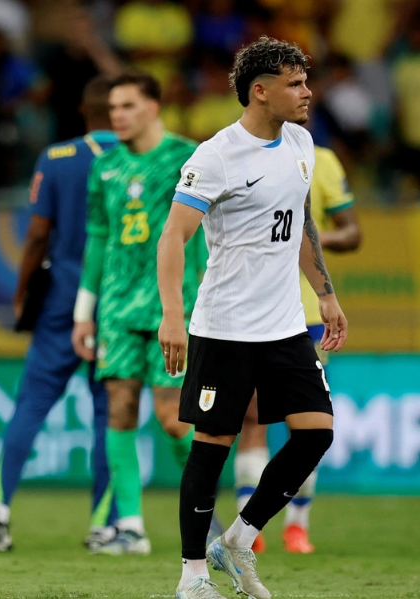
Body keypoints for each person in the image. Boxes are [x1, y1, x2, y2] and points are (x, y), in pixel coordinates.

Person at [158, 36, 347, 599]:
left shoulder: (302, 143)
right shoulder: (215, 156)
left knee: (317, 433)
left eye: (305, 81)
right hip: (224, 326)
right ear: (259, 91)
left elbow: (300, 224)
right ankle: (192, 575)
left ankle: (237, 541)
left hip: (286, 323)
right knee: (213, 445)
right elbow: (174, 236)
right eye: (294, 83)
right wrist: (174, 314)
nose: (307, 91)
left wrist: (327, 294)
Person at [0, 76, 118, 553]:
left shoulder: (58, 158)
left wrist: (22, 293)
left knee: (32, 404)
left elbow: (38, 234)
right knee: (109, 413)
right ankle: (106, 524)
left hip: (62, 299)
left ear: (83, 110)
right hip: (118, 303)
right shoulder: (142, 160)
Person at [70, 72, 204, 555]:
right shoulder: (105, 167)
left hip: (176, 306)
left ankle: (204, 513)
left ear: (153, 107)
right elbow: (98, 239)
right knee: (119, 411)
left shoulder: (187, 158)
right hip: (118, 311)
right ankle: (131, 527)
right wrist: (85, 312)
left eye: (127, 106)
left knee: (174, 420)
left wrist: (206, 298)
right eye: (113, 107)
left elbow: (209, 234)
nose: (117, 116)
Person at [234, 144, 361, 555]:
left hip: (302, 313)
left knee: (305, 424)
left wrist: (305, 234)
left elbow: (351, 231)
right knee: (252, 417)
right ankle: (248, 529)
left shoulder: (320, 160)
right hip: (249, 309)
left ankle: (297, 525)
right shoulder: (236, 154)